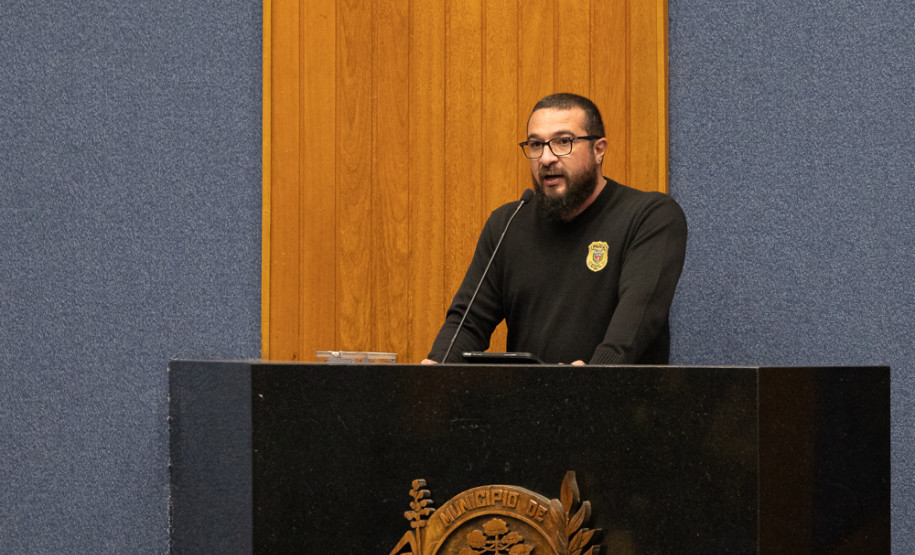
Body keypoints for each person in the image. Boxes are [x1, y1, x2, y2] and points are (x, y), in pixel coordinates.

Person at [423, 93, 687, 365]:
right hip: (528, 402)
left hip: (618, 401)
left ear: (599, 150)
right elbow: (467, 323)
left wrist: (594, 378)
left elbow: (636, 323)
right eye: (536, 144)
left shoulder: (649, 216)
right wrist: (437, 370)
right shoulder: (508, 223)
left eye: (563, 142)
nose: (546, 158)